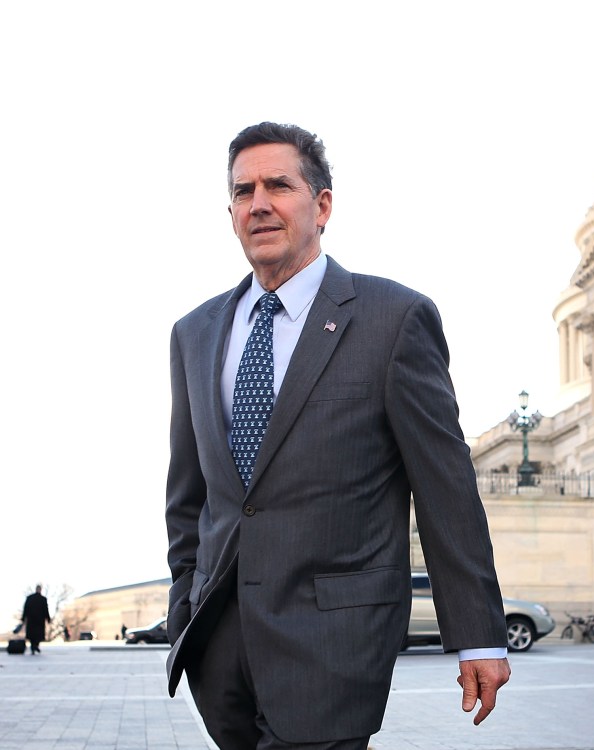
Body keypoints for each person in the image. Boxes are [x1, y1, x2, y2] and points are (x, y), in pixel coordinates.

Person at [164, 122, 511, 749]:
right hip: (219, 654)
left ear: (321, 205)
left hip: (334, 649)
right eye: (243, 192)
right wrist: (184, 607)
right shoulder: (194, 333)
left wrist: (478, 633)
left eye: (279, 185)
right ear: (231, 213)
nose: (259, 203)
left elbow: (446, 491)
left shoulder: (393, 319)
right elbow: (189, 496)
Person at [21, 585, 50, 655]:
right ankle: (35, 646)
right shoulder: (43, 599)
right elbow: (45, 609)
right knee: (38, 635)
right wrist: (48, 618)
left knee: (32, 634)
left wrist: (23, 617)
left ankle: (34, 647)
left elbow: (26, 608)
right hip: (39, 620)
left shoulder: (30, 598)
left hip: (32, 619)